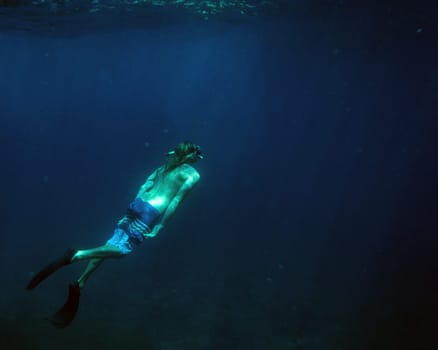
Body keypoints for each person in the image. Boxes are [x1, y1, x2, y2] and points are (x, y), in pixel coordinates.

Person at [26, 141, 203, 328]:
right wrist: (160, 226)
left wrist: (131, 209)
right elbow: (175, 200)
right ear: (192, 156)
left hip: (137, 204)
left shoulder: (163, 167)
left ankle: (81, 282)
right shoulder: (192, 174)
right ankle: (77, 255)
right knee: (122, 251)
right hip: (151, 212)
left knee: (111, 243)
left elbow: (145, 185)